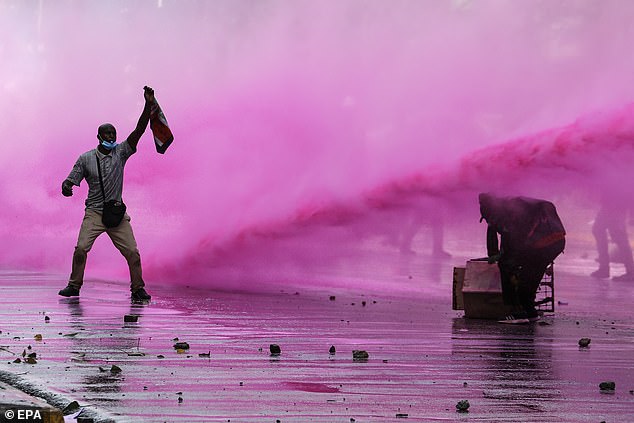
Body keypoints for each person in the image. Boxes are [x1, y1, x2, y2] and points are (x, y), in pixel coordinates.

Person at [58, 86, 155, 302]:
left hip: (116, 213)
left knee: (133, 253)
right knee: (81, 248)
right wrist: (67, 186)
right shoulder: (85, 158)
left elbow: (139, 130)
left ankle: (138, 289)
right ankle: (74, 286)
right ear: (98, 136)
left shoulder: (121, 153)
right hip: (94, 213)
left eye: (113, 133)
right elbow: (71, 178)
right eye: (107, 133)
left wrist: (148, 104)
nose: (111, 136)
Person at [479, 193, 566, 324]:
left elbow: (510, 237)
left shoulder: (504, 211)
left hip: (541, 243)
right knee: (531, 271)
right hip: (557, 241)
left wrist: (500, 256)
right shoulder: (515, 203)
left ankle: (517, 312)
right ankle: (529, 311)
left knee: (507, 266)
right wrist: (495, 252)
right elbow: (504, 233)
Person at [590, 191, 634, 281]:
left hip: (616, 203)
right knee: (600, 230)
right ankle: (605, 267)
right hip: (612, 203)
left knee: (619, 236)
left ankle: (630, 271)